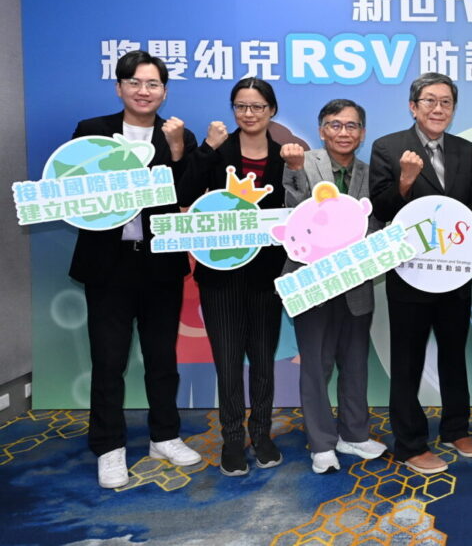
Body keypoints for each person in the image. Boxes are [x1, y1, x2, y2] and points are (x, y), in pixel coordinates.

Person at [70, 50, 201, 488]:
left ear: (164, 91)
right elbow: (71, 190)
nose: (144, 91)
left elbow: (186, 196)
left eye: (153, 84)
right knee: (109, 360)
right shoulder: (92, 131)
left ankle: (164, 435)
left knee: (162, 357)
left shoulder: (178, 134)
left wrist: (178, 150)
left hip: (160, 262)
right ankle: (109, 446)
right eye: (135, 82)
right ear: (119, 87)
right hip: (108, 265)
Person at [369, 72, 472, 475]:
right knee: (407, 360)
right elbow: (381, 209)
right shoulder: (388, 147)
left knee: (454, 354)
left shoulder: (465, 150)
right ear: (413, 106)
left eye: (446, 102)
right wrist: (405, 179)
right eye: (430, 101)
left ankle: (456, 429)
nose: (438, 109)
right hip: (410, 272)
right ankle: (410, 443)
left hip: (454, 272)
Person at [179, 77, 287, 475]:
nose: (249, 113)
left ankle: (261, 433)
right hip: (220, 275)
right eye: (241, 106)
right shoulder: (217, 151)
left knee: (262, 360)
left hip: (267, 276)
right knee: (227, 362)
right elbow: (185, 193)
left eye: (257, 106)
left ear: (271, 110)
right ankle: (231, 439)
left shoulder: (284, 156)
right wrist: (206, 148)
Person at [280, 99, 387, 474]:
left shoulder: (371, 173)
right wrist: (294, 170)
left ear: (362, 133)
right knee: (316, 366)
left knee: (355, 364)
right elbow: (294, 213)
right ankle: (322, 443)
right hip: (312, 283)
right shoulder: (302, 163)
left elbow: (376, 225)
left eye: (352, 126)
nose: (344, 132)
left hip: (355, 283)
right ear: (322, 130)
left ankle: (354, 434)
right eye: (335, 125)